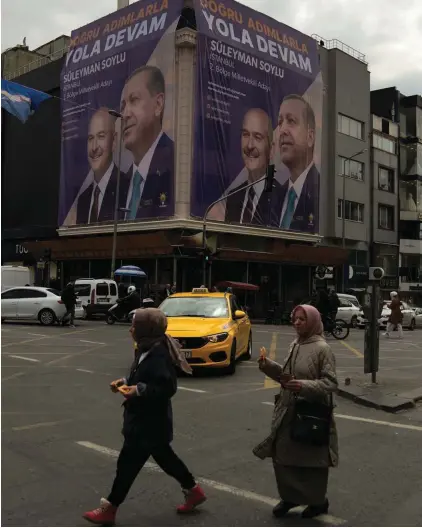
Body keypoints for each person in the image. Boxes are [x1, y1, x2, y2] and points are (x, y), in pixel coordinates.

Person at [83, 308, 206, 525]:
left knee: (127, 466)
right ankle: (193, 490)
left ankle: (109, 508)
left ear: (146, 330)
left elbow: (167, 387)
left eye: (134, 326)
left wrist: (138, 390)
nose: (131, 329)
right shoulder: (145, 348)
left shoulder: (159, 353)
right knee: (166, 459)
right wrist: (124, 382)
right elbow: (140, 376)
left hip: (147, 423)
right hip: (149, 423)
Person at [254, 304, 338, 519]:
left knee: (311, 461)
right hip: (288, 411)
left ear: (312, 321)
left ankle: (318, 501)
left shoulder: (322, 348)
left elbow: (330, 383)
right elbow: (286, 377)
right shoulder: (295, 343)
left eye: (302, 319)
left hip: (311, 413)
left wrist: (303, 386)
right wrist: (268, 366)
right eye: (295, 318)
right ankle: (289, 497)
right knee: (284, 457)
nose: (297, 322)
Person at [121, 66, 174, 220]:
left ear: (158, 105)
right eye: (123, 106)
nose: (125, 114)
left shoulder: (178, 165)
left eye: (134, 100)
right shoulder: (120, 183)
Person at [64, 109, 128, 226]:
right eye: (90, 138)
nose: (94, 147)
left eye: (101, 136)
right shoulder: (83, 199)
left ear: (113, 141)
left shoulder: (127, 186)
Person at [224, 108, 284, 226]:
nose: (250, 145)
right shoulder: (233, 198)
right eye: (246, 135)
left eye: (257, 137)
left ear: (271, 150)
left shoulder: (282, 198)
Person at [277, 95, 319, 233]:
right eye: (280, 122)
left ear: (310, 137)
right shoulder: (274, 196)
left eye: (291, 121)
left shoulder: (322, 193)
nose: (282, 130)